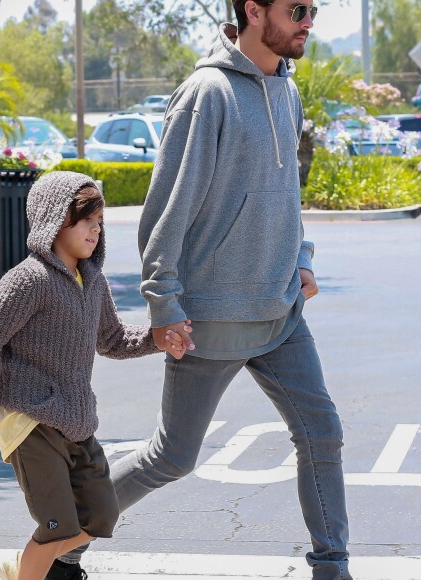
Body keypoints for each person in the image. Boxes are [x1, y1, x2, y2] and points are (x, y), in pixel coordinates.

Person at [53, 1, 352, 579]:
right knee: (171, 457)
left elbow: (286, 197)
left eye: (313, 10)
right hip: (210, 319)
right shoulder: (206, 93)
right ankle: (60, 542)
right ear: (254, 10)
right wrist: (164, 304)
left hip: (281, 313)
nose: (309, 20)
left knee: (322, 433)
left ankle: (331, 566)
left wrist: (302, 259)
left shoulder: (286, 92)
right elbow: (165, 211)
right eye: (297, 10)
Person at [0, 171, 189, 580]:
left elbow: (112, 339)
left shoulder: (92, 280)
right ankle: (33, 572)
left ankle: (28, 569)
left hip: (76, 418)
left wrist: (157, 338)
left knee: (101, 516)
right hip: (30, 418)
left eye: (99, 223)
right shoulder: (27, 281)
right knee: (56, 526)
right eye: (85, 220)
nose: (94, 231)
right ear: (53, 218)